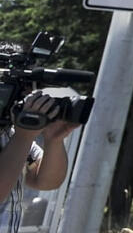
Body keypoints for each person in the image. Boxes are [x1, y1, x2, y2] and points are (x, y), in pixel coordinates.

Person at [0, 84, 79, 232]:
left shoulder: (8, 134)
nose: (27, 99)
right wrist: (23, 137)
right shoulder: (19, 137)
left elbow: (46, 181)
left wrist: (53, 139)